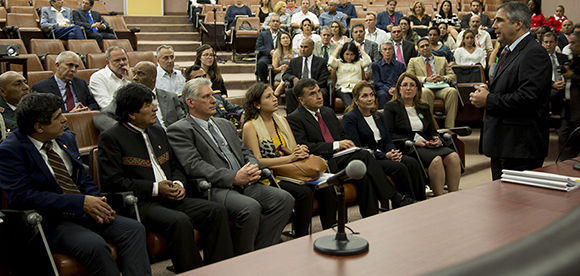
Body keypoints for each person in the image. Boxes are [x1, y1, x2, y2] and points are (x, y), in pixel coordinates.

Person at [0, 93, 151, 275]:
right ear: (39, 126)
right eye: (57, 117)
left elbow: (82, 178)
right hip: (50, 220)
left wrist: (96, 203)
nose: (65, 119)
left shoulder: (66, 138)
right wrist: (80, 203)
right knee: (94, 245)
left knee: (133, 229)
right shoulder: (11, 150)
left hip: (84, 210)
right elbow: (22, 197)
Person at [98, 83, 233, 273]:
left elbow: (176, 166)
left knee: (216, 211)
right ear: (131, 114)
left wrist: (178, 183)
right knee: (179, 221)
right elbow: (112, 181)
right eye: (147, 105)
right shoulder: (111, 138)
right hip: (141, 202)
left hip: (170, 196)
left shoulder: (157, 131)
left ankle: (220, 269)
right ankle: (192, 272)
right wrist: (155, 188)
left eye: (153, 103)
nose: (155, 108)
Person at [167, 78, 294, 255]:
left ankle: (260, 252)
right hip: (217, 188)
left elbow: (246, 151)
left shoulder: (224, 124)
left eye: (213, 95)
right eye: (206, 97)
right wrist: (233, 177)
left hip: (246, 181)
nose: (214, 100)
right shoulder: (180, 129)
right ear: (190, 102)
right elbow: (194, 165)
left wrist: (252, 167)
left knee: (284, 199)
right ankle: (243, 261)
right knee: (250, 207)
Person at [288, 78, 415, 214]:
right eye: (312, 94)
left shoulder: (327, 112)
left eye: (319, 91)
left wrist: (347, 144)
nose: (319, 96)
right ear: (301, 100)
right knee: (364, 154)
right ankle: (394, 196)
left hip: (341, 156)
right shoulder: (295, 118)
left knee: (364, 175)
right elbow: (307, 147)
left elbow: (342, 136)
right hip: (324, 161)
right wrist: (337, 144)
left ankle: (370, 217)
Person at [241, 83, 338, 236]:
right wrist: (291, 157)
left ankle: (330, 232)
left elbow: (293, 149)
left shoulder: (282, 121)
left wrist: (299, 151)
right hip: (270, 176)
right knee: (304, 192)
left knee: (325, 186)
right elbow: (257, 161)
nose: (275, 99)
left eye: (274, 95)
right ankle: (301, 235)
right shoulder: (250, 126)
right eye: (268, 97)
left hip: (290, 170)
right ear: (257, 104)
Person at [469, 1, 551, 180]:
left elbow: (528, 98)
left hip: (519, 148)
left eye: (499, 20)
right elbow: (512, 86)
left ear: (518, 23)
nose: (493, 26)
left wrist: (489, 99)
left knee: (517, 206)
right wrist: (489, 90)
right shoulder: (509, 51)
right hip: (504, 144)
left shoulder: (534, 53)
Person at [343, 81, 426, 200]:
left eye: (371, 95)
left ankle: (421, 200)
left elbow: (388, 140)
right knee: (399, 168)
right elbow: (358, 147)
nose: (370, 99)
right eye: (364, 96)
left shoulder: (378, 116)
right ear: (356, 100)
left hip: (386, 154)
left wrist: (393, 152)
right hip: (371, 159)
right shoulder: (350, 118)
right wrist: (384, 155)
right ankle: (406, 201)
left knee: (412, 163)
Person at [384, 73, 461, 196]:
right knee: (436, 160)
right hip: (408, 145)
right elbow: (390, 134)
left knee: (453, 157)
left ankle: (453, 195)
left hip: (427, 143)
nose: (408, 88)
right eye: (405, 85)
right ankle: (439, 197)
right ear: (399, 88)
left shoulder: (423, 107)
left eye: (412, 85)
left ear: (417, 89)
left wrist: (437, 139)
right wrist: (414, 142)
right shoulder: (391, 107)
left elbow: (432, 131)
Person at [93, 61, 186, 132]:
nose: (135, 78)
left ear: (153, 77)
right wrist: (125, 132)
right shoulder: (126, 97)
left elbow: (183, 122)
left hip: (171, 140)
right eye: (134, 73)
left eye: (140, 74)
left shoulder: (170, 97)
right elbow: (101, 118)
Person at [407, 37, 459, 128]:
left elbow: (453, 76)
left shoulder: (442, 59)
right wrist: (425, 79)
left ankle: (450, 128)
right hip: (425, 88)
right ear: (418, 50)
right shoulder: (413, 61)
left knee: (452, 91)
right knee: (425, 92)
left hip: (441, 88)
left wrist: (443, 78)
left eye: (427, 45)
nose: (425, 48)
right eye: (422, 46)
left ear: (431, 46)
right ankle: (431, 127)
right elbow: (410, 77)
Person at [32, 51, 99, 113]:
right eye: (70, 65)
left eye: (76, 66)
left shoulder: (81, 83)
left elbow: (93, 104)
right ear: (57, 65)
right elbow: (45, 113)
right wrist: (69, 114)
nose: (73, 69)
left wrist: (87, 110)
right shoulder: (41, 88)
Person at [282, 38, 330, 113]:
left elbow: (324, 78)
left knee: (323, 92)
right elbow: (285, 75)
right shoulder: (294, 61)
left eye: (306, 47)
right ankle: (291, 118)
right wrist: (293, 78)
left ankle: (322, 116)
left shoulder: (321, 61)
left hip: (315, 87)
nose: (303, 49)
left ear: (312, 48)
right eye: (301, 47)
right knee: (289, 92)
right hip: (299, 87)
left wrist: (312, 87)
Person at [328, 41, 372, 108]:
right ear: (343, 54)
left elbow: (368, 61)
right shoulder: (338, 62)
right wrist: (338, 48)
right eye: (347, 54)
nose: (349, 57)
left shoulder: (359, 62)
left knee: (360, 99)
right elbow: (330, 62)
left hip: (357, 88)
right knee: (348, 101)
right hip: (342, 88)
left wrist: (360, 48)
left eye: (352, 54)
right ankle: (353, 113)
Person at [558, 31, 580, 161]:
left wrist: (572, 76)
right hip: (568, 106)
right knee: (564, 135)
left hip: (578, 107)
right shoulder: (573, 59)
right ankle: (564, 165)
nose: (570, 46)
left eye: (573, 43)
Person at [372, 41, 406, 108]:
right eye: (385, 49)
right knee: (382, 94)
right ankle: (384, 115)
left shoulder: (400, 65)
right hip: (383, 89)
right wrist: (388, 89)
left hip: (397, 88)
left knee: (403, 92)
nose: (387, 51)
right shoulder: (376, 65)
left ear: (393, 51)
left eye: (389, 49)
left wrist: (395, 89)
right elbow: (377, 82)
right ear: (381, 52)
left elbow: (402, 81)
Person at [542, 32, 569, 116]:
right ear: (542, 43)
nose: (548, 44)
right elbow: (539, 77)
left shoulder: (564, 57)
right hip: (548, 87)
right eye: (546, 42)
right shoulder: (538, 59)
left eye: (551, 42)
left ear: (556, 43)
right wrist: (553, 84)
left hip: (565, 85)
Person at [256, 14, 282, 83]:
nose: (275, 23)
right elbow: (259, 47)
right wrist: (270, 51)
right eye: (273, 21)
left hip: (280, 58)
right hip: (266, 57)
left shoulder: (283, 35)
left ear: (280, 24)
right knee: (261, 63)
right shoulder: (263, 34)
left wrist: (278, 51)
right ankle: (263, 83)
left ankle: (274, 83)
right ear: (269, 23)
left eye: (277, 21)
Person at [272, 31, 296, 97]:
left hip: (292, 73)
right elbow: (274, 69)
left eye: (287, 38)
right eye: (283, 38)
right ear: (280, 41)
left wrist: (292, 61)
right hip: (280, 73)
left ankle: (277, 91)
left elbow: (299, 66)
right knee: (286, 79)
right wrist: (280, 68)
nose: (285, 40)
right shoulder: (276, 53)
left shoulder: (295, 52)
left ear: (290, 40)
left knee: (287, 77)